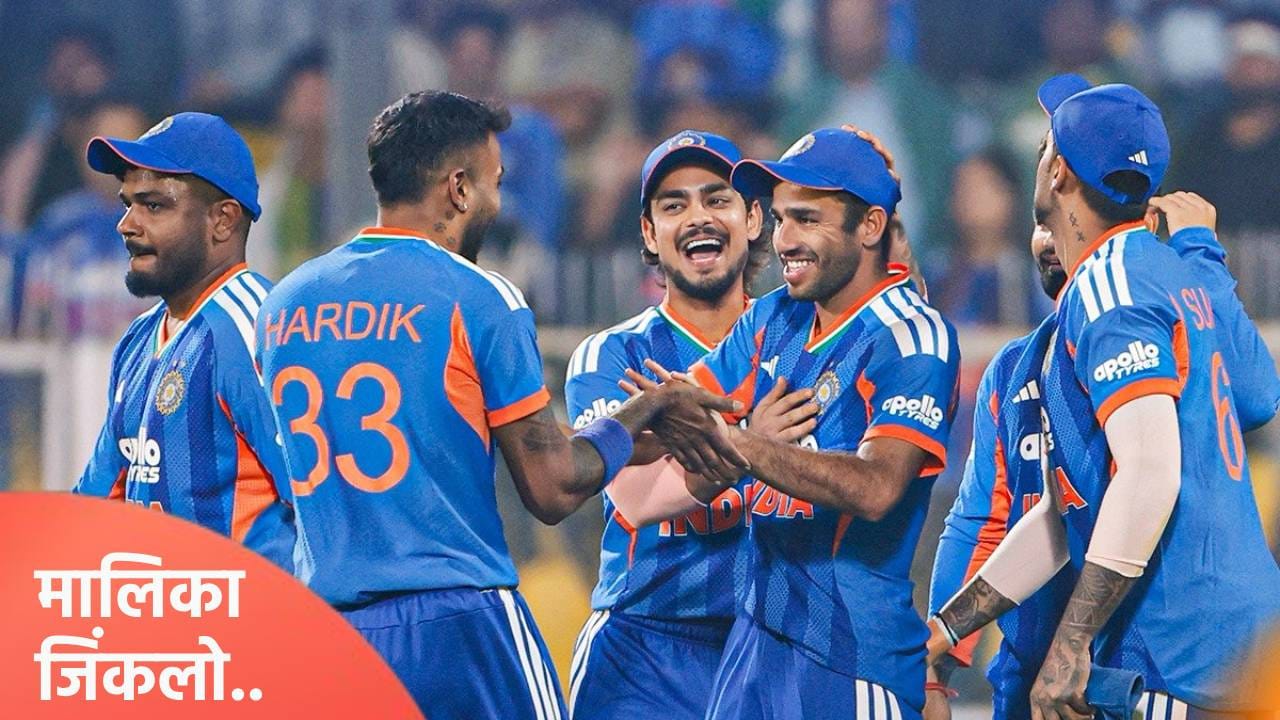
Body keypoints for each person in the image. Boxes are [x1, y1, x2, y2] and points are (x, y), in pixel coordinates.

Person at [254, 91, 743, 719]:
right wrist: (650, 407)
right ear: (459, 189)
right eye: (495, 183)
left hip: (330, 631)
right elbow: (552, 487)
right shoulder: (477, 295)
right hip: (458, 620)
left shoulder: (283, 305)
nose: (496, 203)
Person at [928, 76, 1280, 717]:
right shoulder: (1165, 273)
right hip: (1235, 654)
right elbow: (1066, 515)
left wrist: (1069, 645)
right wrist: (948, 629)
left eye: (1045, 146)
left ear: (1058, 171)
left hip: (1183, 660)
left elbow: (1148, 475)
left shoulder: (1111, 285)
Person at [636, 127, 961, 719]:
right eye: (781, 218)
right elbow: (680, 416)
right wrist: (618, 429)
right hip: (754, 644)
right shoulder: (773, 318)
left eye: (806, 219)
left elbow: (876, 488)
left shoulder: (912, 337)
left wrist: (740, 443)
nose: (783, 240)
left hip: (849, 657)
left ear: (870, 227)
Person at [564, 129, 809, 719]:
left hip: (778, 647)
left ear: (755, 219)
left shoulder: (804, 342)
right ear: (650, 233)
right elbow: (633, 498)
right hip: (643, 650)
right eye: (674, 206)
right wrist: (753, 445)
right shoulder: (613, 356)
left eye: (717, 199)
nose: (698, 217)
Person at [72, 112, 295, 571]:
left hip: (248, 611)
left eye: (154, 206)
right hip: (167, 612)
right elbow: (95, 503)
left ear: (222, 220)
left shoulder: (257, 328)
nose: (127, 225)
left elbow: (320, 500)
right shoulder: (139, 339)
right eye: (127, 204)